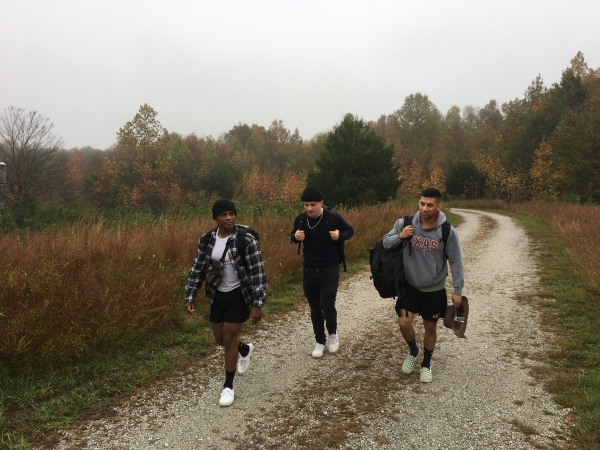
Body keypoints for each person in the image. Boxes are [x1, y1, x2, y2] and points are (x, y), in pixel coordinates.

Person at [185, 199, 267, 406]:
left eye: (232, 213)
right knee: (220, 339)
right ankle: (244, 350)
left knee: (229, 337)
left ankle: (228, 387)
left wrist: (257, 303)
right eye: (224, 214)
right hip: (217, 294)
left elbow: (258, 272)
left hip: (239, 294)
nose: (229, 217)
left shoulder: (246, 240)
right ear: (216, 218)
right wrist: (191, 294)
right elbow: (198, 268)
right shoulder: (206, 240)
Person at [382, 187, 464, 383]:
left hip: (433, 289)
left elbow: (456, 261)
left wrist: (458, 290)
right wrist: (401, 236)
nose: (425, 208)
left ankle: (426, 363)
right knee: (404, 322)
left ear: (438, 206)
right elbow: (385, 243)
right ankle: (413, 351)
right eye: (422, 204)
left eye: (429, 205)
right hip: (408, 287)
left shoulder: (447, 231)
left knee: (430, 326)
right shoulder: (405, 223)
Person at [290, 187, 354, 358]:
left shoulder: (332, 217)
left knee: (326, 304)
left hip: (330, 268)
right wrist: (295, 236)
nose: (309, 208)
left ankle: (333, 334)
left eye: (313, 204)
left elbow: (350, 231)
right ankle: (320, 341)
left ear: (321, 203)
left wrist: (339, 235)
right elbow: (292, 235)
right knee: (314, 308)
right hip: (309, 268)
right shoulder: (301, 219)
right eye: (306, 205)